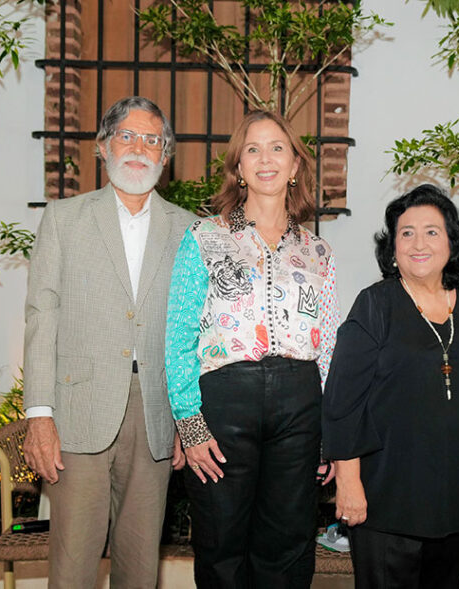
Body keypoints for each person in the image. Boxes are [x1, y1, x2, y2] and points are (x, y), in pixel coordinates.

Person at [22, 96, 195, 587]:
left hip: (157, 413)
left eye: (152, 140)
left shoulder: (188, 230)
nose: (139, 148)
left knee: (140, 566)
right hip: (79, 410)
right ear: (103, 146)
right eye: (127, 136)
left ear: (166, 155)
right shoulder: (63, 219)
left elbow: (191, 332)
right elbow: (41, 316)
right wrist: (39, 415)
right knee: (74, 564)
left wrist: (189, 416)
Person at [164, 110, 340, 587]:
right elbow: (178, 338)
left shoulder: (318, 251)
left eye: (277, 148)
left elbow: (328, 346)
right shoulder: (203, 237)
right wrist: (191, 425)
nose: (266, 159)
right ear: (238, 168)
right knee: (221, 545)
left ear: (296, 164)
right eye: (253, 149)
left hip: (300, 404)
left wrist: (327, 432)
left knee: (288, 545)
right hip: (225, 401)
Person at [322, 184, 459, 589]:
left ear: (452, 243)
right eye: (406, 233)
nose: (418, 243)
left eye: (431, 231)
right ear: (392, 248)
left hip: (456, 495)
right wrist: (348, 483)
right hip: (387, 499)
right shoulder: (374, 305)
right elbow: (342, 402)